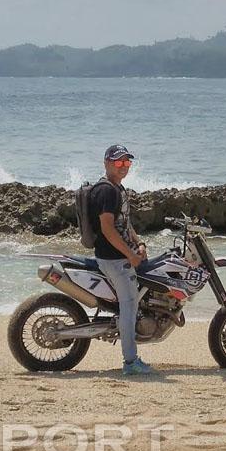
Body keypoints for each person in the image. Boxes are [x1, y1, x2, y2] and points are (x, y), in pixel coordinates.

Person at [90, 144, 154, 375]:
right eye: (118, 162)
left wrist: (139, 244)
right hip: (114, 259)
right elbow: (107, 229)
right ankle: (130, 362)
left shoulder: (118, 189)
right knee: (129, 305)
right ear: (107, 163)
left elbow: (124, 224)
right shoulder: (107, 191)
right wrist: (130, 255)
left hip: (120, 255)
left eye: (127, 162)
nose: (124, 167)